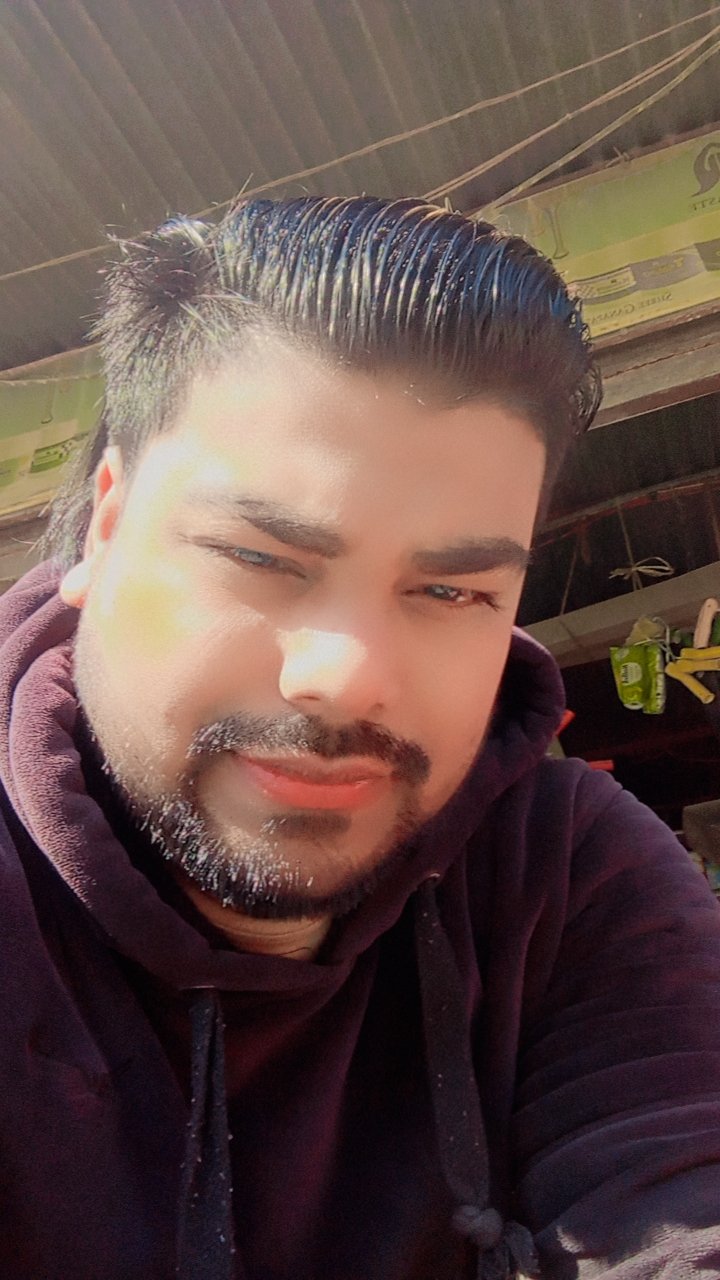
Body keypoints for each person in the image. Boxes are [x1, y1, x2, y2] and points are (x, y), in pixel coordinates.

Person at [1, 195, 718, 1280]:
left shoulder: (562, 873)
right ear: (106, 526)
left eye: (451, 589)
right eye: (260, 558)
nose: (344, 677)